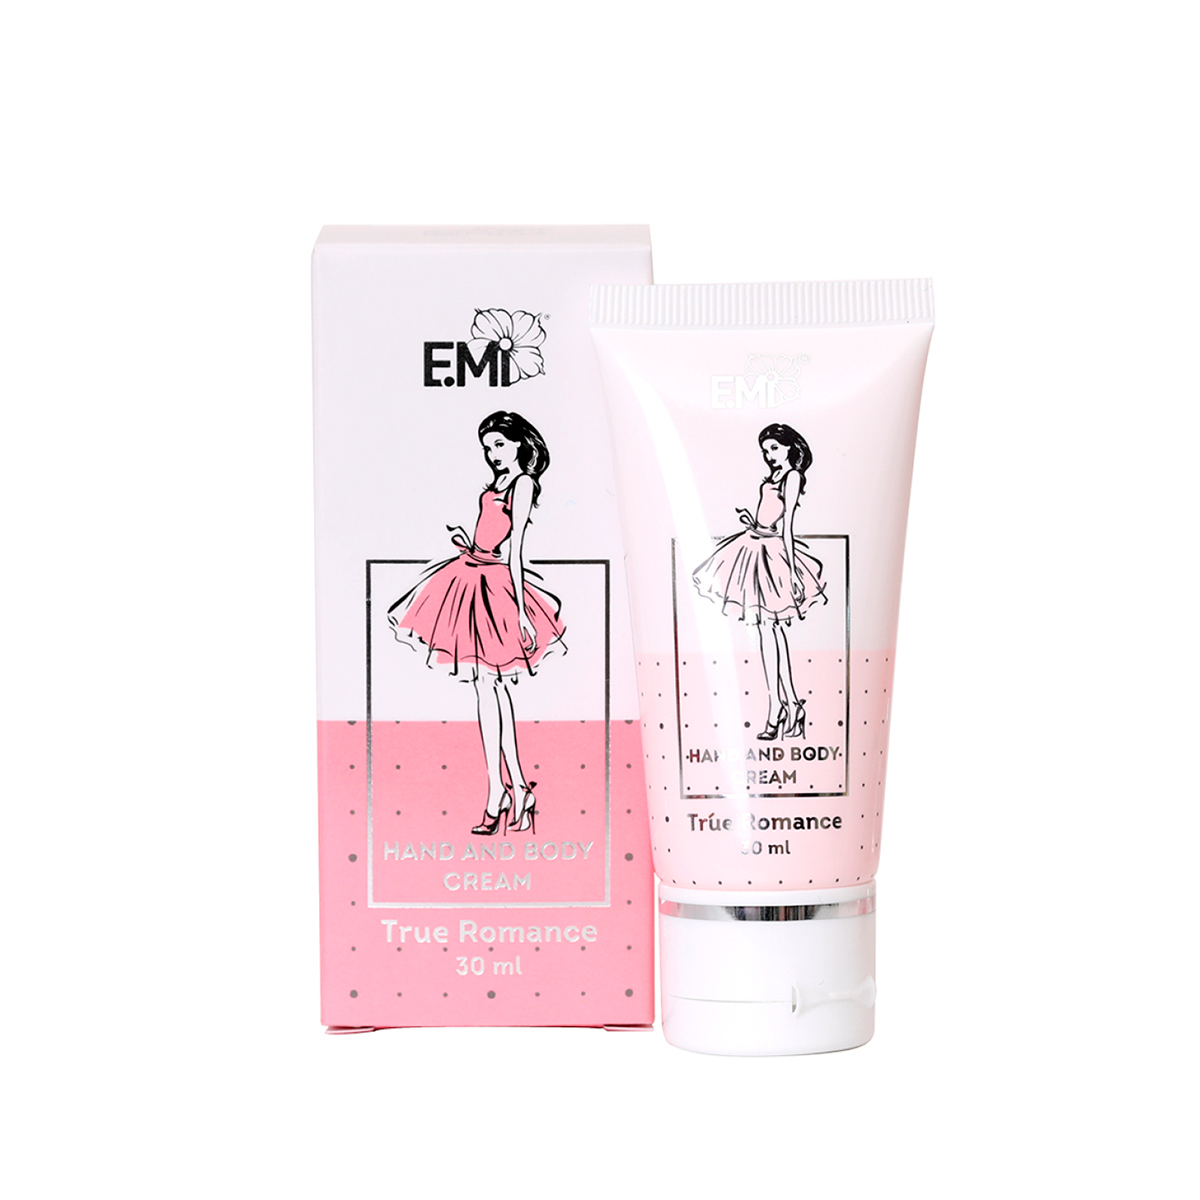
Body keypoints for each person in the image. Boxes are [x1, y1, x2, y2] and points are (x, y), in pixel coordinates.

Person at [387, 411, 564, 834]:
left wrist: (521, 611)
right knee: (490, 691)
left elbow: (516, 549)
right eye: (488, 447)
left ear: (519, 443)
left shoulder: (523, 484)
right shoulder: (497, 484)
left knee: (492, 690)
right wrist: (468, 542)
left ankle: (504, 790)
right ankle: (510, 788)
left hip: (494, 586)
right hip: (468, 571)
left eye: (500, 444)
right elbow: (489, 535)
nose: (493, 453)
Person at [692, 423, 826, 740]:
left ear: (790, 447)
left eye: (774, 448)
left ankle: (781, 707)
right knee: (769, 632)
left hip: (772, 554)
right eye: (765, 451)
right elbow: (766, 517)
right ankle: (788, 705)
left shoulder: (792, 477)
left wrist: (792, 572)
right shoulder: (772, 478)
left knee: (771, 632)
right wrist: (750, 521)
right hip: (753, 543)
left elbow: (788, 526)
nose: (769, 455)